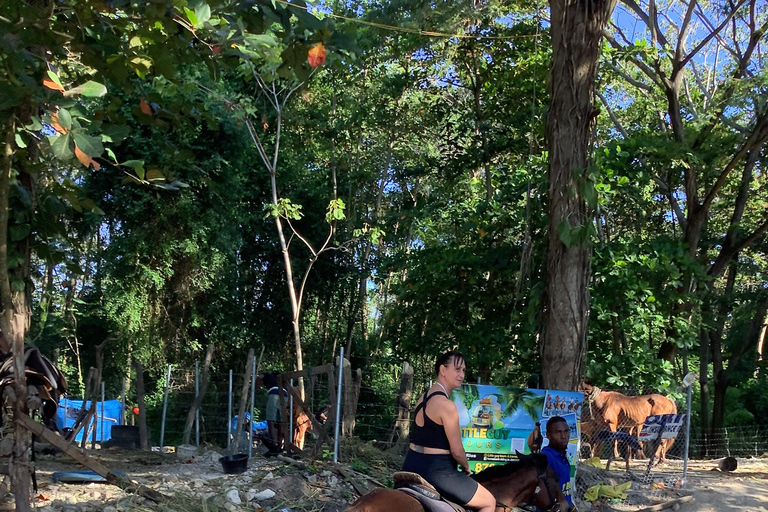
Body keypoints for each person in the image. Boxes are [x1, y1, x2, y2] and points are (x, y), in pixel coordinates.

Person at [402, 351, 496, 512]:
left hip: (411, 463)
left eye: (464, 371)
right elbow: (457, 451)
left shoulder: (423, 398)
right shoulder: (447, 406)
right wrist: (466, 467)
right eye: (457, 369)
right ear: (443, 370)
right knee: (489, 502)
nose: (461, 375)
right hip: (437, 471)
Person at [541, 416, 573, 509]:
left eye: (566, 431)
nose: (563, 436)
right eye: (558, 432)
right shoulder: (546, 457)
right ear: (548, 435)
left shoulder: (562, 455)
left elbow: (566, 491)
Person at [264, 372, 287, 454]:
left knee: (271, 421)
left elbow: (259, 377)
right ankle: (280, 445)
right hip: (284, 394)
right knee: (280, 422)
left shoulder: (267, 375)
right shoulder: (281, 380)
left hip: (273, 394)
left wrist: (252, 389)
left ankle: (274, 446)